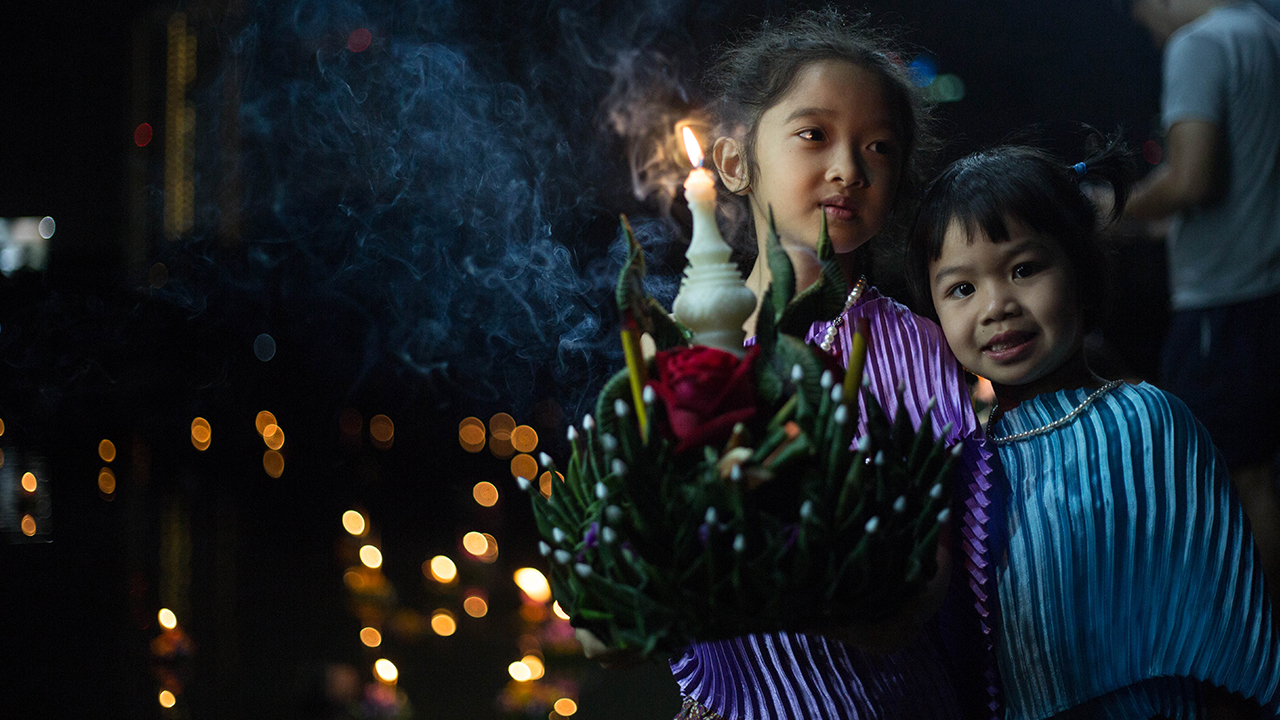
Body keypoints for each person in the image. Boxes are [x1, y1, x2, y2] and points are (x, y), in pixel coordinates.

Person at [581, 10, 1003, 719]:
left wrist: (838, 591)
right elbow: (612, 604)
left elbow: (932, 569)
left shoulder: (912, 348)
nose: (848, 168)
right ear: (736, 163)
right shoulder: (673, 353)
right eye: (814, 135)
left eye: (879, 148)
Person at [905, 137, 1280, 719]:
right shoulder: (960, 466)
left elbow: (1225, 626)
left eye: (1024, 269)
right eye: (962, 288)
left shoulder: (1147, 423)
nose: (996, 305)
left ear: (1079, 272)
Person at [1123, 0, 1280, 599]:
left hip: (1223, 303)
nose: (1154, 35)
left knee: (1236, 481)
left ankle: (1257, 649)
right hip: (1266, 291)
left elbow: (1192, 179)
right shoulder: (1268, 32)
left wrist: (1109, 207)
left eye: (1144, 19)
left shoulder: (1201, 44)